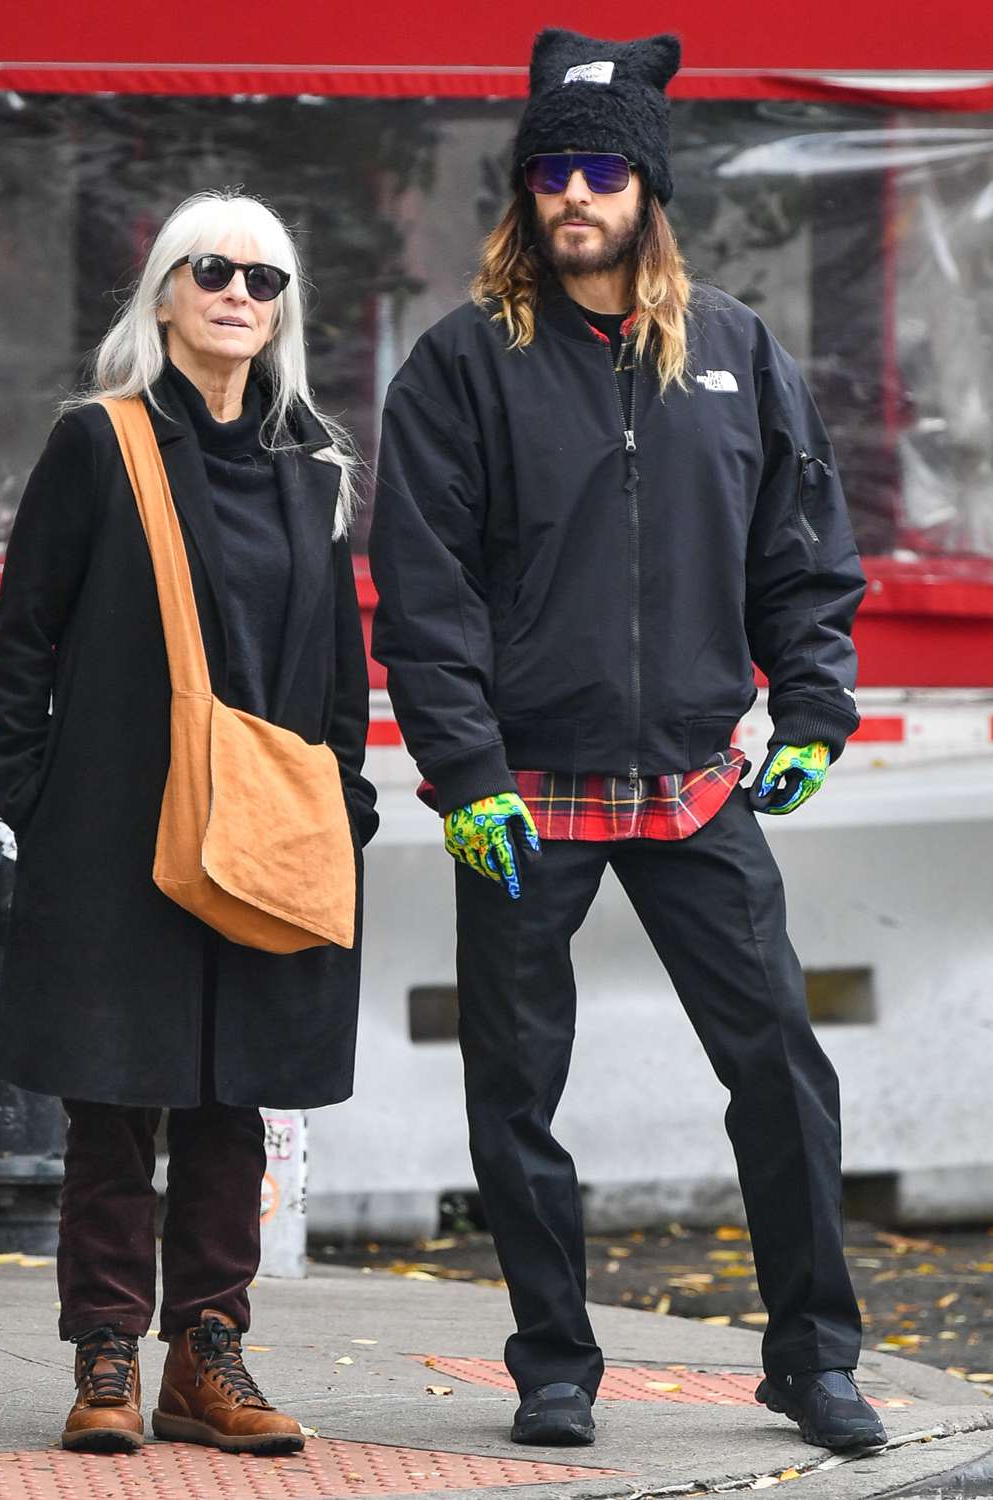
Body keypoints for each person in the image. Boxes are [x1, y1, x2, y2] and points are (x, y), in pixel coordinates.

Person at [370, 30, 886, 1455]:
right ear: (525, 194)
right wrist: (464, 776)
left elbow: (802, 554)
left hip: (692, 786)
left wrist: (815, 710)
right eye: (549, 171)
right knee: (517, 1089)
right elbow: (422, 593)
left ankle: (810, 1357)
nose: (572, 193)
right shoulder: (463, 366)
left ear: (647, 190)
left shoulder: (732, 350)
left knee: (780, 1066)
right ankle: (552, 1365)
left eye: (599, 169)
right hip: (523, 795)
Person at [0, 190, 377, 1456]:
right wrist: (39, 799)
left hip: (270, 823)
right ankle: (105, 1349)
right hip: (116, 824)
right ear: (162, 294)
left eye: (265, 280)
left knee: (238, 1092)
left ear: (282, 313)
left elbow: (337, 665)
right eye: (212, 270)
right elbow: (25, 640)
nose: (238, 295)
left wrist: (344, 805)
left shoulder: (311, 461)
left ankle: (206, 1353)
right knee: (114, 1090)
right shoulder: (98, 444)